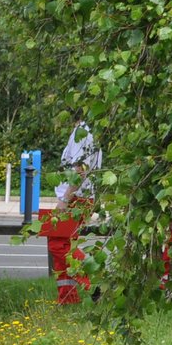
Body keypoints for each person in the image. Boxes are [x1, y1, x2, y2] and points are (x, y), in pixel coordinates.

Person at [46, 121, 102, 305]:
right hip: (79, 197)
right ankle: (68, 298)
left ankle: (93, 283)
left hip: (76, 197)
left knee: (58, 244)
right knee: (62, 243)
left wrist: (65, 199)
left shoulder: (82, 132)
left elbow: (80, 169)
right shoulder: (87, 130)